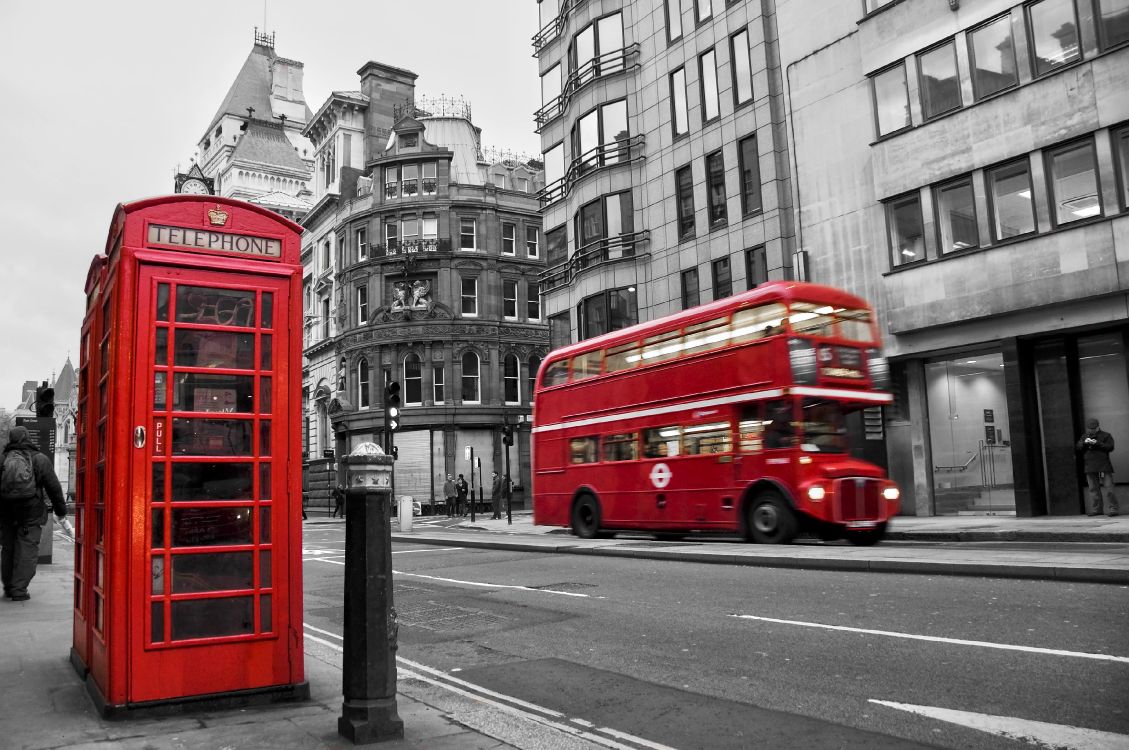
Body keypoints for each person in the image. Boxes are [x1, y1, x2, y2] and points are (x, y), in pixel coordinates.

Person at [1, 426, 67, 601]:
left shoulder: (3, 459)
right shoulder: (39, 459)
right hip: (31, 512)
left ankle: (9, 587)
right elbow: (53, 487)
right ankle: (19, 589)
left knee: (8, 549)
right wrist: (61, 511)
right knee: (27, 550)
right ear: (27, 437)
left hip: (7, 512)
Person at [1076, 418, 1118, 517]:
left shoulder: (1106, 435)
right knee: (1093, 489)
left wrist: (1097, 443)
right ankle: (1097, 510)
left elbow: (1110, 447)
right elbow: (1078, 447)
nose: (1092, 430)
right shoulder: (1084, 436)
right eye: (1090, 429)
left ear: (1098, 427)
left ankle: (1113, 509)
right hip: (1089, 467)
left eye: (1093, 428)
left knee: (1109, 488)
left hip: (1103, 466)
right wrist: (1084, 443)